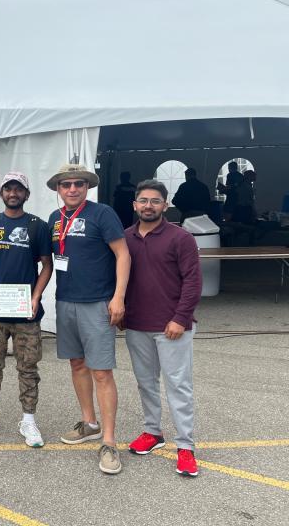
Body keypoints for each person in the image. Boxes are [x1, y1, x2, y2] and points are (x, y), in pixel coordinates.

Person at [46, 163, 130, 474]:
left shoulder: (102, 213)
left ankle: (108, 441)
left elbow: (123, 254)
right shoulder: (55, 219)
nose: (72, 189)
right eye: (66, 184)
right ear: (58, 189)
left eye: (78, 184)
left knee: (102, 372)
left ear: (86, 187)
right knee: (77, 364)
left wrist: (119, 297)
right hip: (66, 300)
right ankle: (89, 422)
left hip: (97, 303)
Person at [124, 179, 202, 477]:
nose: (148, 206)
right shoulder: (125, 238)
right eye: (143, 200)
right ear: (135, 205)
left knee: (178, 386)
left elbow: (193, 281)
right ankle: (153, 433)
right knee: (146, 383)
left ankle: (185, 446)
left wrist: (180, 318)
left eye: (155, 201)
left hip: (172, 326)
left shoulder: (180, 238)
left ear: (165, 205)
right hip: (137, 324)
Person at [0, 172, 53, 447]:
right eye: (8, 188)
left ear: (26, 195)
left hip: (25, 312)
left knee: (28, 368)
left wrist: (36, 296)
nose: (13, 193)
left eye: (19, 189)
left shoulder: (37, 226)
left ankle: (28, 421)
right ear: (1, 193)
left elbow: (46, 265)